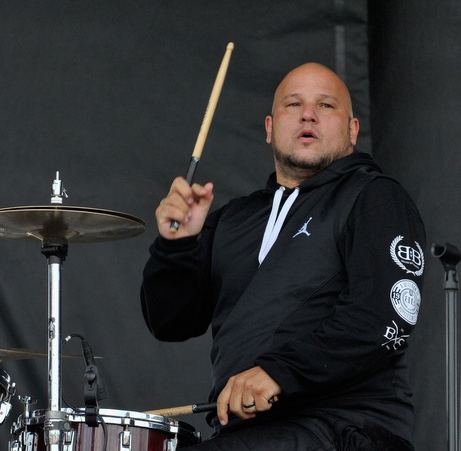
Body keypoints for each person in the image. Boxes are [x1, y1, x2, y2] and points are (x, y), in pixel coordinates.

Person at [140, 62, 425, 450]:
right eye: (294, 104)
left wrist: (279, 372)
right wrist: (177, 247)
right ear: (270, 128)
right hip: (247, 434)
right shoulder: (233, 219)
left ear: (352, 131)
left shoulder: (374, 198)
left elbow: (384, 314)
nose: (308, 113)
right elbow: (170, 321)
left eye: (326, 106)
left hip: (344, 426)